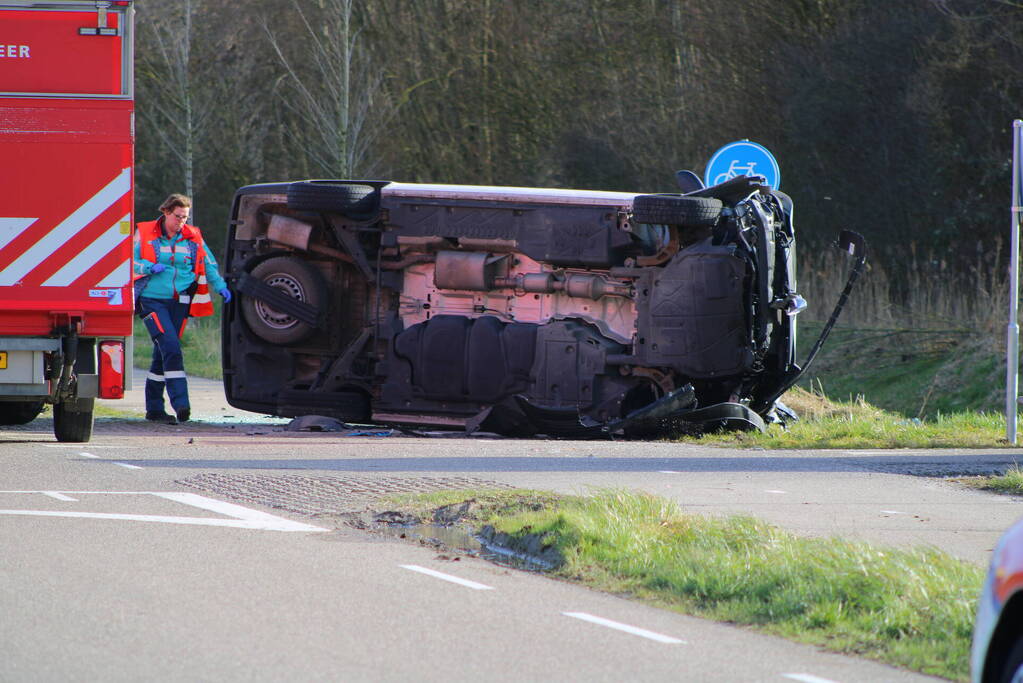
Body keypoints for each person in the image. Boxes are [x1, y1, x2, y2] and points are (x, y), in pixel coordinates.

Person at [133, 194, 230, 424]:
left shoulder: (193, 236)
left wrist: (221, 286)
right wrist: (148, 266)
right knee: (171, 347)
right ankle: (181, 403)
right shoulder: (145, 233)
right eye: (178, 217)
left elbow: (208, 263)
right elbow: (127, 260)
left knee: (163, 353)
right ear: (166, 212)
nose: (181, 222)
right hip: (152, 300)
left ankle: (154, 409)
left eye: (185, 217)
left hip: (180, 302)